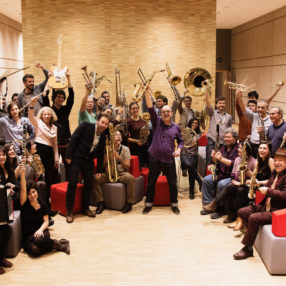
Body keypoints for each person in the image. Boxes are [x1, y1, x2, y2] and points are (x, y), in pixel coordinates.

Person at [233, 147, 286, 260]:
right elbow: (270, 183)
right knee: (242, 211)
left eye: (280, 161)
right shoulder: (275, 172)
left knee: (253, 218)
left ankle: (247, 248)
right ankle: (252, 236)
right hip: (266, 205)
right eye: (275, 160)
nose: (276, 163)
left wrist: (268, 191)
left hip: (277, 211)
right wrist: (258, 183)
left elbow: (284, 195)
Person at [142, 87, 183, 215]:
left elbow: (181, 141)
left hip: (169, 159)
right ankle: (148, 204)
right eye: (163, 111)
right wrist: (146, 91)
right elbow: (149, 107)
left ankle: (174, 204)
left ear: (171, 113)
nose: (165, 113)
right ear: (160, 113)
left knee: (172, 183)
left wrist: (179, 150)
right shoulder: (156, 122)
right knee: (151, 183)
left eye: (168, 112)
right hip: (155, 158)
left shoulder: (176, 127)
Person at [65, 114, 110, 223]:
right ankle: (69, 211)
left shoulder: (103, 136)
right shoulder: (86, 126)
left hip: (88, 161)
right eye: (102, 122)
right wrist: (68, 156)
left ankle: (85, 208)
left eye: (106, 124)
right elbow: (74, 138)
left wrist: (99, 169)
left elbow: (100, 153)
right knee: (72, 183)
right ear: (97, 121)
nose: (104, 125)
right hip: (76, 158)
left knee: (89, 184)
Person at [19, 164, 70, 257]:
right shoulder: (25, 204)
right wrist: (22, 174)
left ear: (37, 191)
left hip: (41, 231)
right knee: (35, 251)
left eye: (34, 192)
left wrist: (40, 230)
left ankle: (60, 246)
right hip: (29, 235)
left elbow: (46, 221)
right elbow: (23, 190)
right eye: (29, 193)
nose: (32, 195)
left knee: (38, 240)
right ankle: (60, 243)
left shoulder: (42, 204)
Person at [203, 141, 256, 223]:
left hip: (247, 186)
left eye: (241, 148)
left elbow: (254, 180)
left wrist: (244, 179)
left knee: (235, 189)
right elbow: (233, 174)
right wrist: (234, 180)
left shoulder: (253, 161)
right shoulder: (237, 159)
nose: (239, 150)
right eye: (239, 148)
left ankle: (215, 204)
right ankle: (230, 214)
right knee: (229, 188)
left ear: (247, 150)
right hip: (237, 183)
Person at [93, 130, 135, 214]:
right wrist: (104, 162)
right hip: (108, 173)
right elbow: (102, 166)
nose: (118, 136)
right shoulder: (106, 148)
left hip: (121, 173)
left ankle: (129, 203)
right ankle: (100, 202)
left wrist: (120, 158)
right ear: (112, 138)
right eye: (116, 135)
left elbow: (127, 167)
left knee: (131, 178)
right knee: (95, 178)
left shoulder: (125, 149)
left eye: (120, 135)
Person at [200, 128, 239, 218]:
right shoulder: (223, 147)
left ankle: (219, 209)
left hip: (232, 177)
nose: (226, 139)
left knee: (221, 184)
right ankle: (208, 204)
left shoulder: (238, 148)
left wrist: (221, 158)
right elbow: (217, 162)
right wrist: (214, 157)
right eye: (225, 137)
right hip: (221, 173)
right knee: (206, 180)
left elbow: (233, 163)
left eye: (229, 137)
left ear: (234, 138)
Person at [28, 97, 59, 202]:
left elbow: (55, 145)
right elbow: (30, 116)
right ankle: (38, 201)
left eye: (48, 114)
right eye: (45, 114)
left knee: (49, 178)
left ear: (51, 115)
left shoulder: (54, 128)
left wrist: (56, 159)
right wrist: (32, 104)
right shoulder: (38, 123)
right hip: (39, 151)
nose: (47, 116)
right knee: (39, 176)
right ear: (41, 115)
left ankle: (48, 201)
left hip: (50, 154)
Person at [51, 71, 74, 180]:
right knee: (54, 168)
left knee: (69, 166)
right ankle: (55, 188)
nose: (60, 99)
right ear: (54, 98)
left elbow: (72, 97)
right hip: (54, 143)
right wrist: (50, 78)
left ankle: (69, 187)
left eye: (62, 97)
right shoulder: (49, 110)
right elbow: (46, 96)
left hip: (66, 142)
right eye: (58, 97)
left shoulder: (65, 110)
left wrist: (68, 78)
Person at [205, 87, 232, 168]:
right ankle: (207, 179)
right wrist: (206, 91)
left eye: (223, 103)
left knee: (221, 163)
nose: (222, 105)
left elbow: (229, 130)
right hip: (212, 141)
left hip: (223, 143)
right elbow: (208, 104)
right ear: (216, 104)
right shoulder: (212, 112)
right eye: (220, 103)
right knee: (209, 162)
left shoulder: (229, 117)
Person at [180, 118, 202, 199]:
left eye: (196, 123)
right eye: (193, 123)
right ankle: (200, 181)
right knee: (189, 166)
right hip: (184, 153)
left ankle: (191, 192)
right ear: (190, 123)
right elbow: (181, 141)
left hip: (193, 154)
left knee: (191, 172)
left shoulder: (199, 133)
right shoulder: (185, 130)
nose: (195, 124)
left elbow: (193, 141)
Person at [127, 102, 150, 168]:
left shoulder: (143, 119)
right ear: (130, 110)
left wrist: (148, 132)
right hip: (135, 148)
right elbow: (126, 138)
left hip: (145, 146)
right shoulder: (128, 121)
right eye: (133, 109)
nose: (135, 110)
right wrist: (137, 141)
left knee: (149, 165)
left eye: (136, 108)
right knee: (139, 166)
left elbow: (147, 131)